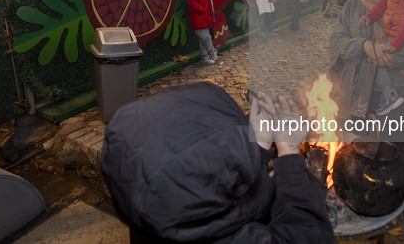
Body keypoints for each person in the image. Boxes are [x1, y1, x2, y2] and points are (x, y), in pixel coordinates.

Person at [100, 82, 334, 243]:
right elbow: (308, 234)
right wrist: (290, 154)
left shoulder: (150, 204)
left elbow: (205, 180)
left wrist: (258, 147)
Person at [329, 0, 404, 139]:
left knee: (392, 155)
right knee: (355, 156)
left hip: (397, 96)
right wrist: (364, 46)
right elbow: (336, 40)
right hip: (355, 93)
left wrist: (388, 56)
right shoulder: (353, 2)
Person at [185, 0, 217, 65]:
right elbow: (191, 0)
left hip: (204, 17)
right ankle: (211, 52)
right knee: (206, 37)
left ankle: (204, 57)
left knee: (203, 39)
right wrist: (201, 9)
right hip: (199, 17)